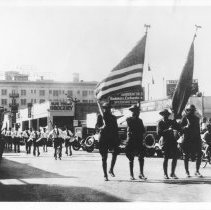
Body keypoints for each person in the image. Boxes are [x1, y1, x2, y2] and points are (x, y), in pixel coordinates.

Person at [95, 102, 120, 181]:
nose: (107, 110)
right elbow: (96, 127)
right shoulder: (100, 116)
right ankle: (105, 175)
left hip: (112, 138)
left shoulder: (113, 117)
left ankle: (111, 169)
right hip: (103, 138)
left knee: (115, 152)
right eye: (106, 108)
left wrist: (117, 138)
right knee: (104, 157)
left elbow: (116, 129)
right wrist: (101, 127)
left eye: (109, 108)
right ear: (104, 109)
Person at [180, 104, 203, 178]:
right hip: (187, 139)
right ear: (187, 110)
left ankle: (197, 171)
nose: (191, 111)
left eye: (193, 110)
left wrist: (199, 139)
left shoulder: (197, 119)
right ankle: (187, 171)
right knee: (186, 156)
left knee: (199, 154)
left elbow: (198, 130)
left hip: (196, 139)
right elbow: (180, 129)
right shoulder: (184, 118)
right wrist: (186, 127)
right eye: (190, 110)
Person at [125, 104, 146, 180]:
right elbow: (131, 127)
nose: (138, 113)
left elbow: (143, 130)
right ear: (133, 112)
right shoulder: (129, 119)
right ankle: (131, 174)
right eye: (136, 111)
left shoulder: (140, 120)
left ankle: (141, 173)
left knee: (141, 157)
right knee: (131, 158)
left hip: (139, 140)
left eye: (138, 111)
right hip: (131, 141)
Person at [158, 109, 180, 179]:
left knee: (175, 157)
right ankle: (165, 174)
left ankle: (172, 173)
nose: (166, 116)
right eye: (165, 114)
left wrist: (175, 120)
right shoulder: (160, 123)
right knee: (166, 158)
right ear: (162, 115)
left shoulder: (171, 121)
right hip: (165, 141)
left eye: (167, 114)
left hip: (172, 141)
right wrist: (168, 130)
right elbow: (159, 133)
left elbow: (178, 127)